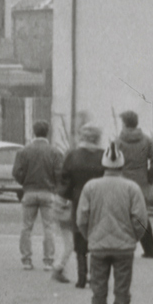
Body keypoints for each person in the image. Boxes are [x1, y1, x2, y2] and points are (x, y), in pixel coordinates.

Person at [77, 163, 150, 304]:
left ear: (104, 166)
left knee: (98, 294)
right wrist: (134, 237)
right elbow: (142, 219)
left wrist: (90, 237)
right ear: (121, 166)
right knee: (122, 295)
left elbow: (81, 219)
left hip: (98, 249)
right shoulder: (131, 187)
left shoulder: (91, 187)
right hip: (124, 250)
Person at [12, 121, 69, 279]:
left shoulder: (24, 152)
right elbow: (60, 175)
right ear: (47, 133)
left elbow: (16, 172)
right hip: (48, 193)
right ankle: (48, 261)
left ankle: (26, 260)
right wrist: (55, 187)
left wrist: (24, 182)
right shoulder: (55, 152)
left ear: (33, 132)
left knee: (26, 227)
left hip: (29, 192)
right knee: (48, 228)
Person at [59, 124, 107, 292]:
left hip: (79, 200)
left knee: (80, 240)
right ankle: (95, 277)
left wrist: (66, 197)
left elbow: (64, 180)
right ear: (98, 138)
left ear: (83, 138)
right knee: (96, 240)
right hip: (99, 202)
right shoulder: (104, 156)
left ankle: (81, 277)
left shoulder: (72, 156)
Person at [109, 109, 153, 260]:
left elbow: (110, 162)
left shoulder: (117, 143)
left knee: (120, 216)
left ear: (124, 124)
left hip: (121, 182)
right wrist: (149, 178)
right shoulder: (146, 141)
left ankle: (122, 247)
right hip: (141, 184)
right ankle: (150, 250)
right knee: (142, 217)